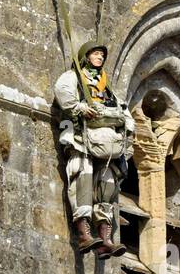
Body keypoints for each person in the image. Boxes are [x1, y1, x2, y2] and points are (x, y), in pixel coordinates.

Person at [54, 41, 135, 258]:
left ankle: (105, 239)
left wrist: (126, 133)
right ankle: (84, 234)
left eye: (102, 54)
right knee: (83, 177)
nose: (99, 57)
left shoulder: (106, 88)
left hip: (107, 145)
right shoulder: (74, 77)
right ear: (86, 56)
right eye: (96, 54)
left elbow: (124, 112)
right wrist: (80, 107)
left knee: (107, 185)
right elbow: (64, 94)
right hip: (82, 139)